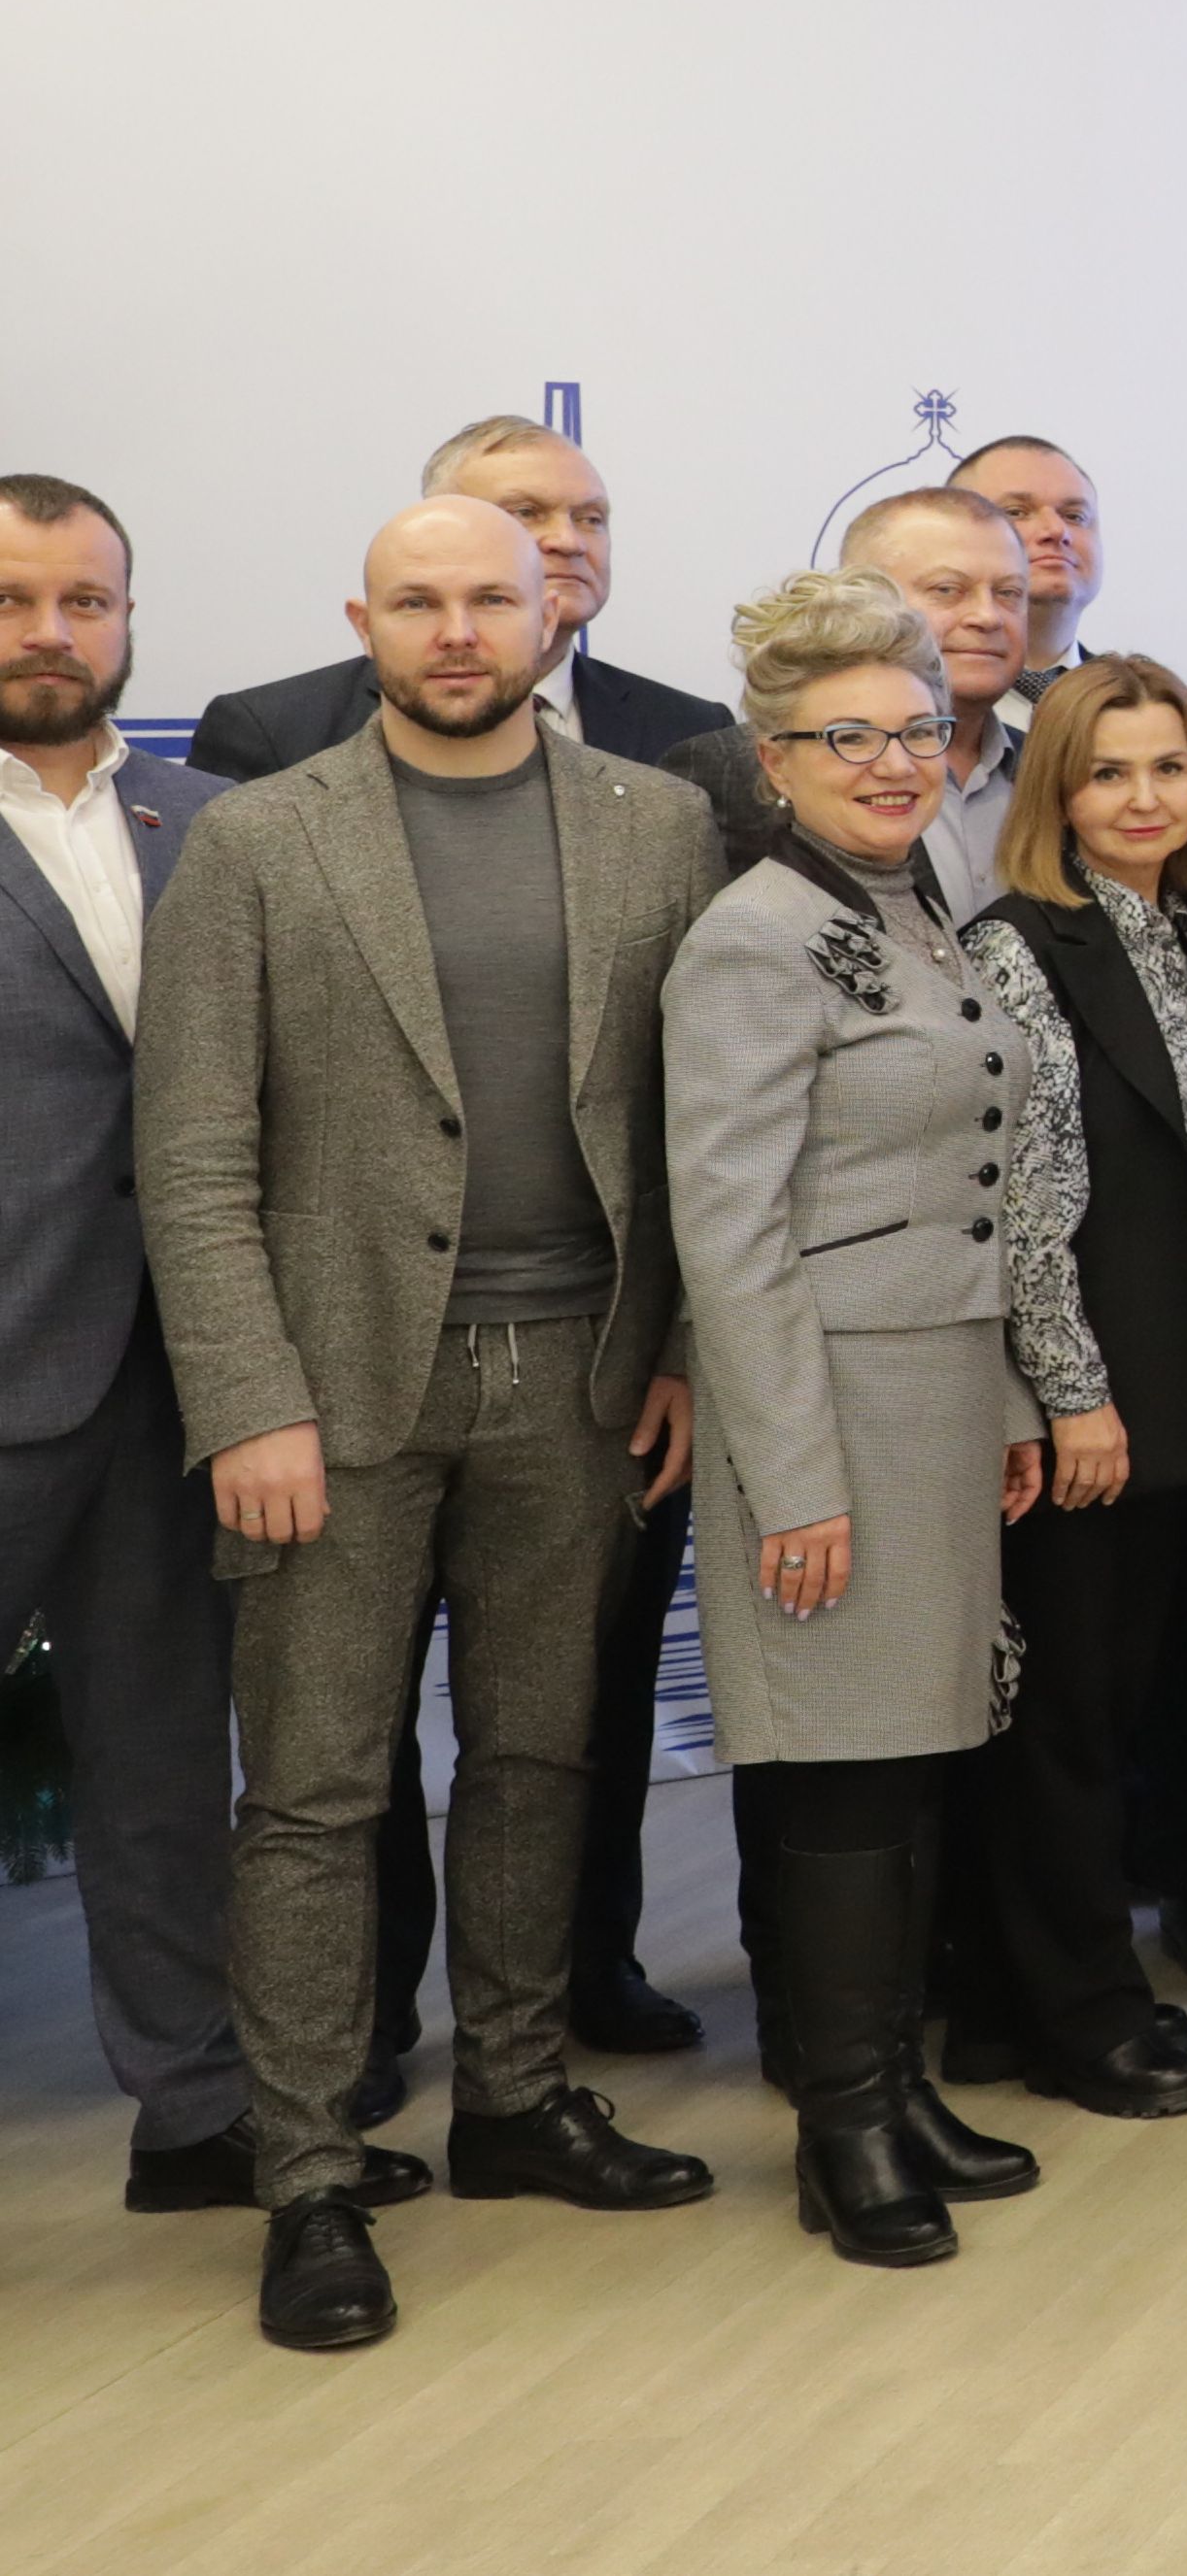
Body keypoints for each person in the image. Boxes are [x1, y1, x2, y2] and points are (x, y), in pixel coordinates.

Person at [143, 495, 727, 2352]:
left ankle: (515, 2093)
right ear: (363, 618)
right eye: (421, 600)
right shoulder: (255, 835)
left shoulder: (658, 822)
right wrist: (248, 1396)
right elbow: (194, 1148)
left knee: (541, 1754)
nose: (459, 627)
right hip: (330, 1390)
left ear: (552, 611)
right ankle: (310, 2168)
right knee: (317, 1789)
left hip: (581, 1373)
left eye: (492, 595)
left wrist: (676, 1346)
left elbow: (690, 1122)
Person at [663, 565, 1088, 2268]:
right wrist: (793, 1480)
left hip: (937, 1394)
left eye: (914, 730)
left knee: (914, 1765)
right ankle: (841, 2126)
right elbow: (731, 1232)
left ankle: (894, 2089)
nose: (895, 761)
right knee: (838, 1783)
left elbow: (965, 1189)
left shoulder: (920, 900)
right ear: (774, 759)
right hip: (824, 1409)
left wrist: (1007, 1394)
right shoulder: (752, 937)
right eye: (849, 737)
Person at [0, 477, 277, 2212]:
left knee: (165, 1759)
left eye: (84, 600)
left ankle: (196, 2109)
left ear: (127, 619)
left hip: (177, 1377)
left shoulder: (218, 820)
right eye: (13, 598)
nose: (50, 632)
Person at [960, 654, 1187, 2121]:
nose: (1144, 797)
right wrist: (1073, 1395)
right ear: (1058, 792)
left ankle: (1027, 1998)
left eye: (1168, 767)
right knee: (1066, 1724)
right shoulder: (1023, 945)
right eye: (1108, 772)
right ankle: (1078, 2017)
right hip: (1095, 1396)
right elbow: (1023, 1206)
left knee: (1131, 1706)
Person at [187, 416, 730, 777]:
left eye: (590, 518)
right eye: (526, 512)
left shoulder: (691, 730)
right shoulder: (274, 732)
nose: (568, 541)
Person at [840, 486, 1036, 920]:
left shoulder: (1058, 772)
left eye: (1009, 593)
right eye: (948, 590)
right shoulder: (752, 773)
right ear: (860, 602)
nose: (988, 616)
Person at [960, 437, 1105, 715]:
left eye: (1074, 516)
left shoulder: (1144, 707)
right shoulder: (906, 703)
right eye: (1016, 512)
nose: (1056, 530)